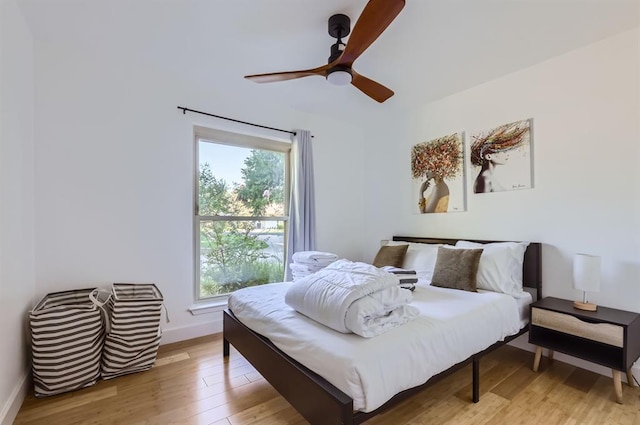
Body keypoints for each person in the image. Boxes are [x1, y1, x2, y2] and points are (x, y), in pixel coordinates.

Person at [470, 122, 529, 193]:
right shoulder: (485, 180)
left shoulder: (488, 178)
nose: (507, 154)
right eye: (503, 151)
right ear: (488, 156)